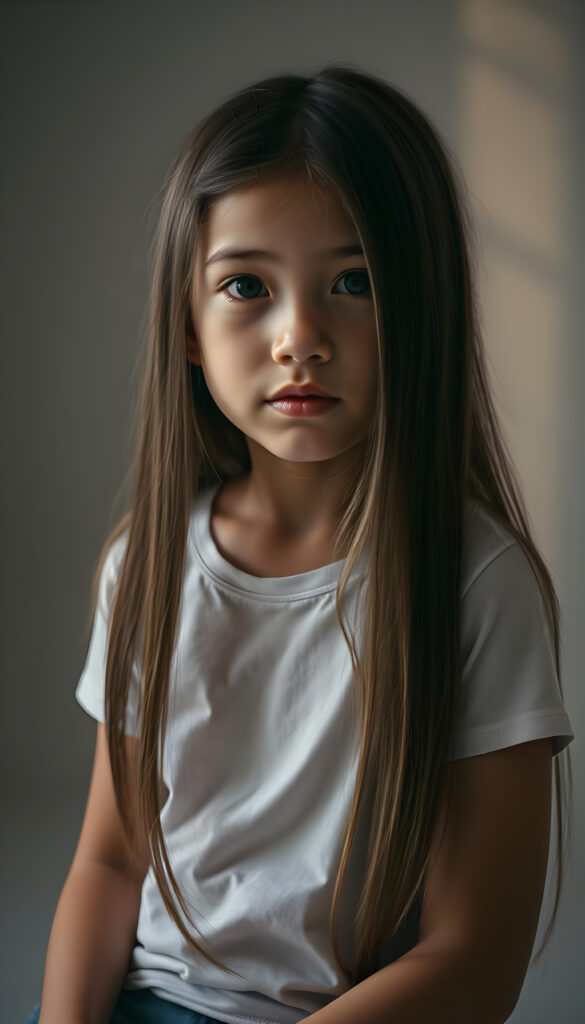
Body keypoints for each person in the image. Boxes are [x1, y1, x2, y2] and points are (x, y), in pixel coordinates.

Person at [29, 64, 574, 1024]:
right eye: (246, 285)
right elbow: (111, 862)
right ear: (188, 327)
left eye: (354, 282)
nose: (299, 337)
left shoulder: (475, 585)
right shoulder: (147, 566)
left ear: (423, 307)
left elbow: (474, 961)